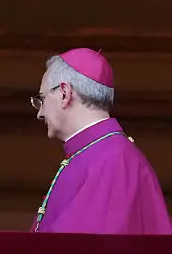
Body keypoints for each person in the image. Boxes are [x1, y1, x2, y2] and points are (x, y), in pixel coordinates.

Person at [31, 47, 171, 234]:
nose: (40, 113)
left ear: (64, 93)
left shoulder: (114, 160)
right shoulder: (95, 153)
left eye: (42, 99)